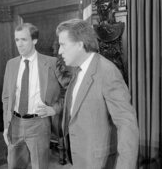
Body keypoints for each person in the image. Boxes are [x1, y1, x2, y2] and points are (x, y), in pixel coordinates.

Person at [56, 18, 139, 169]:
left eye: (63, 45)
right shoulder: (77, 70)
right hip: (79, 158)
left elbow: (127, 124)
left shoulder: (107, 71)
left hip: (99, 163)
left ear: (80, 44)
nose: (59, 51)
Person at [2, 23, 63, 169]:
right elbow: (6, 98)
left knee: (40, 166)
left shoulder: (52, 63)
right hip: (15, 123)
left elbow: (70, 91)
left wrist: (54, 109)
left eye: (24, 40)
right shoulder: (11, 64)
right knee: (14, 165)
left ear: (34, 40)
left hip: (39, 124)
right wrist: (6, 126)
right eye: (17, 40)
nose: (19, 44)